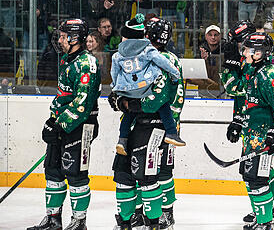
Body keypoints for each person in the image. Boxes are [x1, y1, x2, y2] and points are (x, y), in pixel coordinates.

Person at [28, 19, 100, 230]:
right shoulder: (67, 60)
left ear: (74, 38)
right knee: (53, 170)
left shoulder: (87, 63)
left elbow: (82, 102)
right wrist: (52, 121)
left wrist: (60, 125)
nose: (59, 39)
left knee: (76, 174)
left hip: (81, 126)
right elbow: (64, 97)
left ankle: (79, 222)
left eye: (62, 35)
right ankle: (53, 219)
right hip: (63, 123)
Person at [223, 31, 274, 230]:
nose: (243, 53)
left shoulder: (269, 74)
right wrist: (238, 121)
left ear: (258, 52)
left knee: (257, 178)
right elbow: (237, 90)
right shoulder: (251, 69)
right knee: (249, 176)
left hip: (263, 137)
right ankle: (261, 217)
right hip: (251, 134)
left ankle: (264, 222)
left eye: (246, 50)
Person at [110, 14, 184, 156]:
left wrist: (131, 103)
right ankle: (123, 139)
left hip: (155, 123)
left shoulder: (162, 57)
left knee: (153, 174)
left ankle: (123, 138)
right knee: (130, 173)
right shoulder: (144, 54)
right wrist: (120, 98)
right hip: (145, 123)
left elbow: (158, 95)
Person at [143, 18, 185, 230]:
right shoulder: (144, 56)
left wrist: (171, 125)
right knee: (146, 171)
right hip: (146, 124)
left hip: (165, 126)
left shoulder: (169, 59)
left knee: (164, 171)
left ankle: (167, 213)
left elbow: (177, 98)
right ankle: (150, 211)